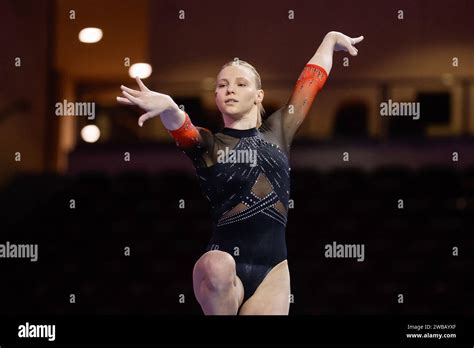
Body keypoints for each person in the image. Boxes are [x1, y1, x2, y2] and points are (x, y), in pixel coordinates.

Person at [117, 31, 364, 315]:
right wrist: (170, 108)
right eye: (222, 85)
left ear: (258, 95)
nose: (230, 89)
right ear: (216, 96)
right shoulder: (210, 146)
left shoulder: (279, 131)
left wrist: (330, 40)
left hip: (273, 271)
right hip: (222, 270)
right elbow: (185, 129)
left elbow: (310, 83)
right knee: (217, 265)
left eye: (240, 83)